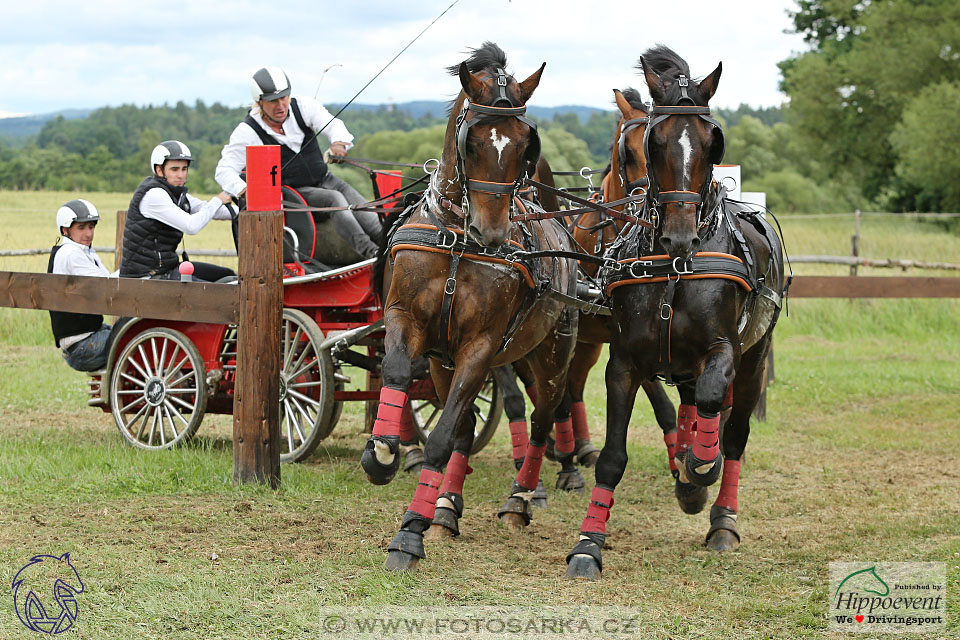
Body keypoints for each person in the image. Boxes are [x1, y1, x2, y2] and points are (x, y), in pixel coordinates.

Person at [215, 66, 381, 260]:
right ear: (260, 102)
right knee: (334, 199)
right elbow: (223, 170)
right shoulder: (247, 132)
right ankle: (371, 253)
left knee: (371, 218)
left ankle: (387, 249)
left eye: (284, 98)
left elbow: (333, 125)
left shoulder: (304, 107)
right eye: (272, 101)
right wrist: (245, 190)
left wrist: (338, 142)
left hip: (326, 179)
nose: (280, 105)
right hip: (295, 195)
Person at [120, 140, 236, 281]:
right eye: (174, 169)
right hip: (146, 276)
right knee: (218, 292)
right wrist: (217, 200)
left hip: (167, 268)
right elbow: (191, 226)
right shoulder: (154, 195)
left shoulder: (178, 195)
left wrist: (244, 211)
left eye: (184, 169)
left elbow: (214, 211)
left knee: (227, 275)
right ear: (159, 170)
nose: (181, 175)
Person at [48, 199, 113, 371]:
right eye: (81, 227)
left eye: (91, 227)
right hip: (82, 345)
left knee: (134, 333)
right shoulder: (70, 253)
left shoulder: (84, 251)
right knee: (137, 339)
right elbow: (108, 286)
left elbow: (107, 281)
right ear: (65, 230)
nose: (88, 233)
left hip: (86, 337)